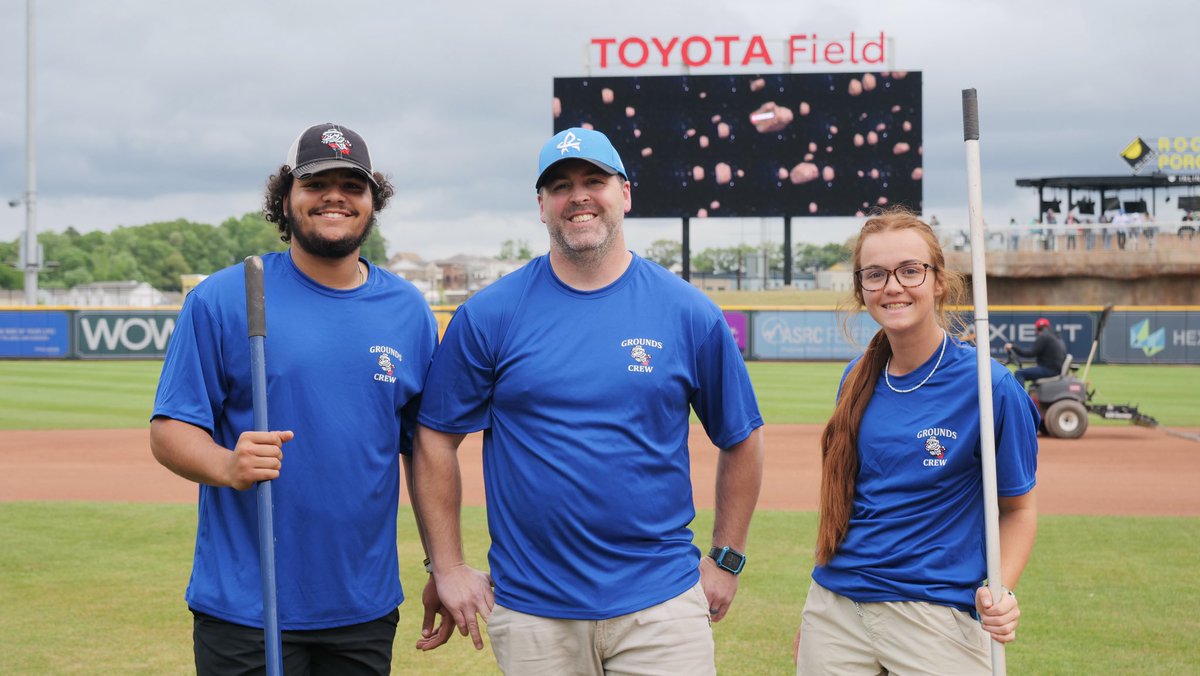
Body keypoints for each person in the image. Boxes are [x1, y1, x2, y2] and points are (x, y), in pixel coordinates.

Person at [412, 127, 765, 674]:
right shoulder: (490, 314)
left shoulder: (687, 312)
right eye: (559, 185)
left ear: (624, 193)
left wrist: (727, 559)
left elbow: (741, 436)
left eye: (593, 180)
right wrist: (448, 565)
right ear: (541, 206)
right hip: (533, 611)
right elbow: (434, 436)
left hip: (661, 606)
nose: (577, 196)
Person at [151, 122, 447, 674]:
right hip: (247, 608)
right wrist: (227, 463)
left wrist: (442, 565)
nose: (335, 196)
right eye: (315, 184)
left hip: (362, 605)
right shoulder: (226, 297)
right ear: (285, 200)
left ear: (372, 202)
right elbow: (169, 430)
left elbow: (424, 451)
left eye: (352, 186)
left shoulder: (408, 311)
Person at [794, 209, 1039, 674]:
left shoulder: (990, 387)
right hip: (836, 609)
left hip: (934, 615)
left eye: (910, 270)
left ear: (939, 281)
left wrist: (1001, 587)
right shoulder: (855, 378)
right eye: (876, 274)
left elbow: (1019, 509)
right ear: (860, 287)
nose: (893, 286)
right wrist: (816, 621)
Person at [1004, 317, 1067, 387]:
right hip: (1055, 369)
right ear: (1048, 327)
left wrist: (1013, 347)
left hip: (1050, 370)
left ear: (1037, 329)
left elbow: (1031, 353)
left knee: (1019, 373)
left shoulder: (1043, 336)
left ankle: (1020, 397)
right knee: (1032, 383)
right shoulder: (1055, 336)